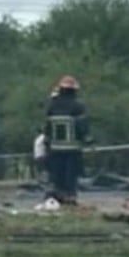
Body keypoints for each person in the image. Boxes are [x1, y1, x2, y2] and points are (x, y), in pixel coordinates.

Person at [45, 75, 91, 205]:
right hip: (73, 146)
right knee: (71, 172)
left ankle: (58, 193)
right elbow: (82, 126)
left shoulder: (52, 105)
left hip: (55, 147)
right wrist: (87, 138)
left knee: (57, 172)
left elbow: (47, 127)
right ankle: (70, 196)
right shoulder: (78, 106)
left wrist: (47, 142)